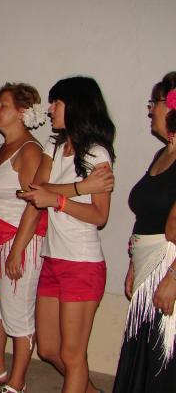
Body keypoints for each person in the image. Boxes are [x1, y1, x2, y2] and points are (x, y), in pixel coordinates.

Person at [6, 76, 115, 393]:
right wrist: (79, 188)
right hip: (53, 259)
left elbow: (99, 215)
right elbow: (36, 191)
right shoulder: (55, 147)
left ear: (76, 105)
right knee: (49, 348)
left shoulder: (97, 154)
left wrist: (60, 200)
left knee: (72, 354)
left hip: (82, 262)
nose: (50, 109)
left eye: (56, 102)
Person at [0, 83, 47, 392]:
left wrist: (17, 250)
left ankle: (18, 383)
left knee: (18, 314)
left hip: (21, 241)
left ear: (22, 112)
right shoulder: (1, 148)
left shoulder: (30, 150)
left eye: (2, 105)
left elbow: (34, 205)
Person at [113, 72, 176, 391]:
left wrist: (173, 278)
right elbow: (147, 217)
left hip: (168, 267)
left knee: (162, 359)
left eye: (155, 102)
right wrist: (133, 264)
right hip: (147, 267)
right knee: (143, 355)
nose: (150, 109)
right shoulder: (162, 154)